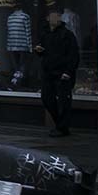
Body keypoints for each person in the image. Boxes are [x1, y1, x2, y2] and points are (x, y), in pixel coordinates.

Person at [35, 8, 79, 137]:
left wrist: (68, 71)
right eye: (54, 16)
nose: (57, 19)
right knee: (47, 98)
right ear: (48, 18)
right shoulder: (45, 34)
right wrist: (39, 51)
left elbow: (73, 55)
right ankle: (60, 124)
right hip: (48, 72)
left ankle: (62, 128)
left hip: (63, 73)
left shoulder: (67, 35)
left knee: (64, 101)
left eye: (59, 16)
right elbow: (43, 51)